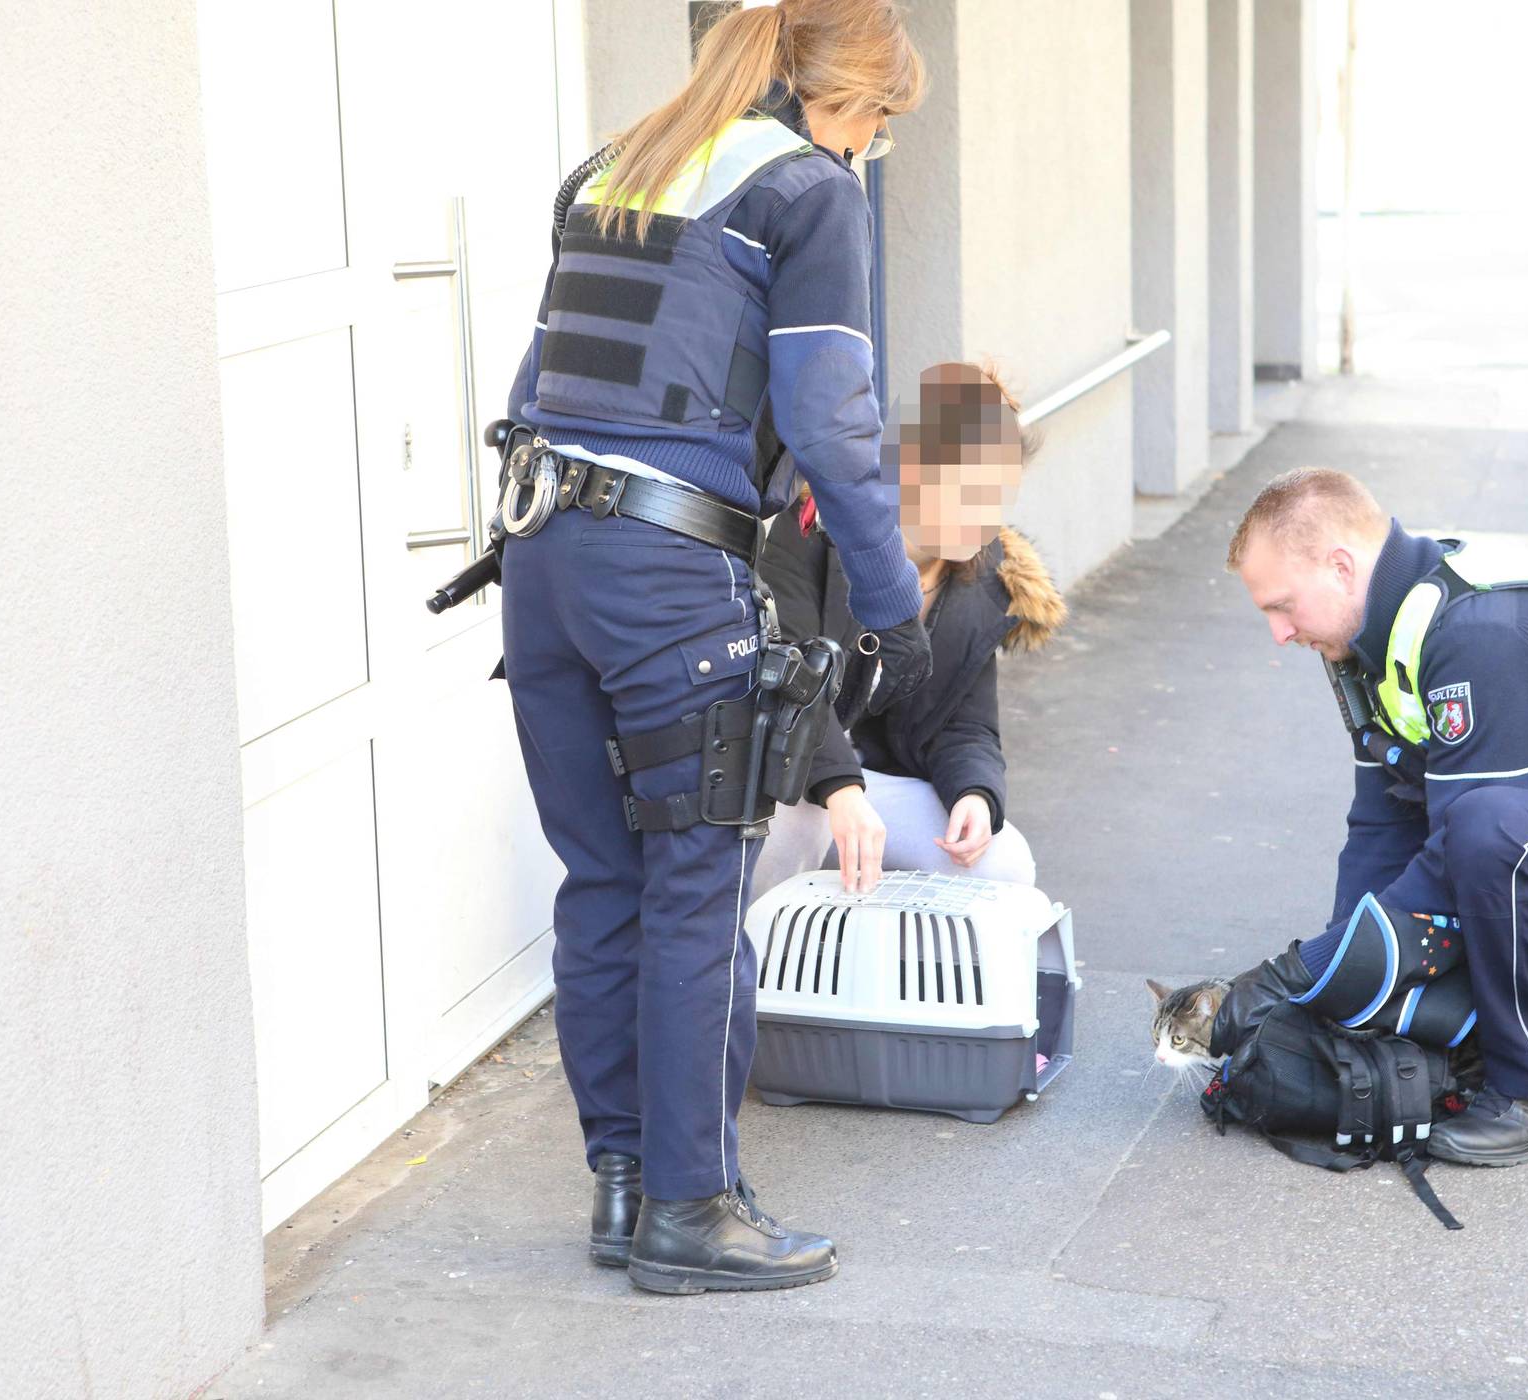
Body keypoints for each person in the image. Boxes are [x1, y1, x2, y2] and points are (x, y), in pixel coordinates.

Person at [497, 0, 932, 1295]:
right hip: (663, 573)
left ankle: (627, 1187)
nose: (868, 153)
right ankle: (695, 1211)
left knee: (601, 881)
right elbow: (833, 421)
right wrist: (893, 604)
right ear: (834, 104)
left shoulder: (611, 168)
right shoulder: (805, 195)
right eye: (873, 124)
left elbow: (550, 373)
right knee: (695, 888)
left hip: (543, 556)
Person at [1229, 468, 1528, 1167]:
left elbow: (1462, 858)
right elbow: (1379, 830)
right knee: (1403, 1001)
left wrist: (1291, 975)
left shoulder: (1479, 629)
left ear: (1339, 568)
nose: (1279, 634)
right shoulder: (1374, 638)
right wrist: (1337, 993)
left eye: (1281, 607)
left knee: (1483, 844)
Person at [751, 361, 1062, 902]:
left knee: (1006, 863)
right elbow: (788, 681)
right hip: (795, 770)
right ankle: (755, 971)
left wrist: (975, 794)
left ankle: (905, 975)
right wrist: (841, 789)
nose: (987, 514)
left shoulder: (983, 582)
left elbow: (966, 726)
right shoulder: (814, 533)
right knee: (800, 824)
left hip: (876, 786)